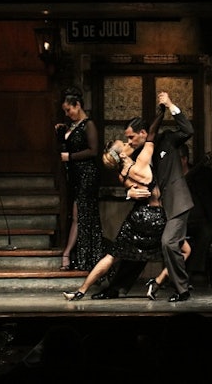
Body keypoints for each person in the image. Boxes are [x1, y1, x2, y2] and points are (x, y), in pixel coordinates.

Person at [91, 91, 194, 302]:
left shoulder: (167, 139)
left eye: (131, 137)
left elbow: (188, 130)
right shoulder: (137, 153)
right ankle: (116, 289)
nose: (128, 141)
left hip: (175, 203)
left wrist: (170, 105)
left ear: (143, 133)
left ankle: (182, 290)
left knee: (169, 243)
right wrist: (129, 192)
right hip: (152, 210)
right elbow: (130, 177)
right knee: (135, 248)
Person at [63, 103, 167, 301]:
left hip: (138, 216)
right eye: (125, 144)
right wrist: (161, 111)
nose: (128, 143)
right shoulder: (142, 161)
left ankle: (82, 290)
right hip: (155, 215)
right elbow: (152, 135)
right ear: (122, 154)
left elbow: (129, 184)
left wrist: (131, 191)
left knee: (112, 256)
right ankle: (158, 282)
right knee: (179, 250)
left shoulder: (122, 173)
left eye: (129, 140)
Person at [54, 86, 103, 272]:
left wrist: (70, 157)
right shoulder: (72, 126)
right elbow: (66, 146)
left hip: (87, 175)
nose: (67, 114)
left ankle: (70, 254)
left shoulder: (88, 124)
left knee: (80, 215)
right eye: (65, 111)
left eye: (69, 110)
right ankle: (77, 255)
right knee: (78, 216)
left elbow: (94, 151)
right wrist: (61, 134)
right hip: (75, 176)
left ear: (78, 105)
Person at [179, 142, 212, 286]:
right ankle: (174, 273)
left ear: (184, 159)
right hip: (179, 221)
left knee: (206, 232)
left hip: (201, 220)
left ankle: (196, 272)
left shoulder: (201, 174)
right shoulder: (170, 177)